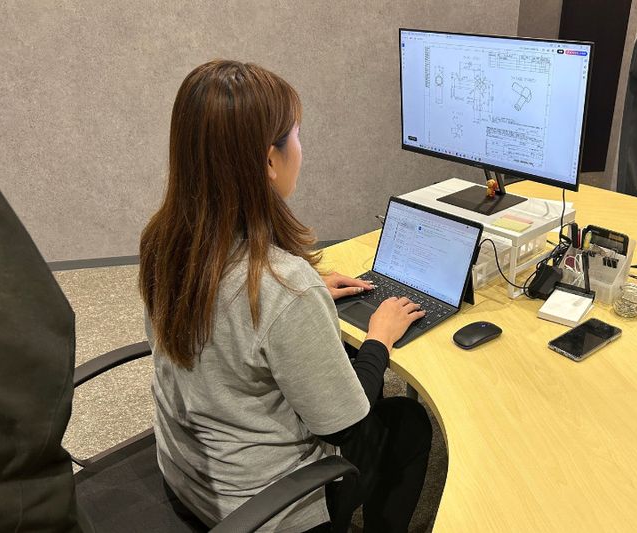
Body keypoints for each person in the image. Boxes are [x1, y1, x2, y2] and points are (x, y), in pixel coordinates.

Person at [139, 59, 432, 533]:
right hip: (266, 509)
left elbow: (232, 321)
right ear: (269, 161)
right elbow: (346, 427)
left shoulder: (164, 242)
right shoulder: (284, 287)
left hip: (188, 474)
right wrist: (378, 338)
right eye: (296, 134)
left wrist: (303, 298)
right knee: (409, 423)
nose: (301, 146)